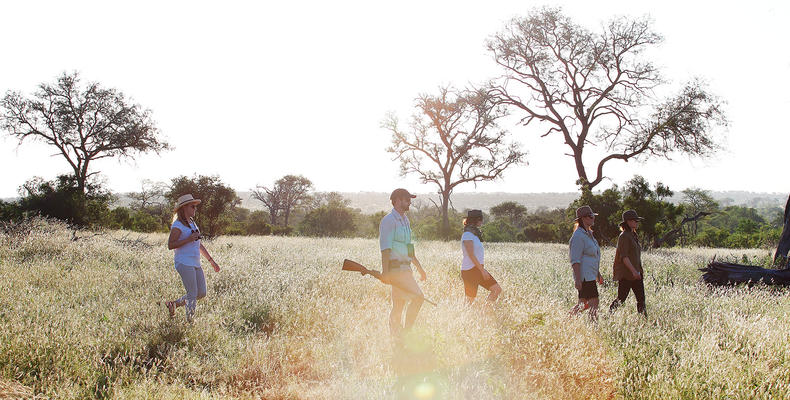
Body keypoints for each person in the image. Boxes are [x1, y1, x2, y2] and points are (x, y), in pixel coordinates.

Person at [164, 194, 221, 321]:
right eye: (192, 206)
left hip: (195, 262)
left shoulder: (192, 223)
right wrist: (188, 239)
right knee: (192, 293)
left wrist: (212, 261)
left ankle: (174, 304)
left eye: (195, 207)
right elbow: (170, 245)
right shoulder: (178, 225)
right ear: (184, 208)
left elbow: (198, 244)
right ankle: (190, 322)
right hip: (184, 262)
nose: (195, 209)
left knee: (201, 293)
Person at [380, 188, 427, 338]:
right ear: (398, 200)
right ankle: (406, 333)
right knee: (418, 297)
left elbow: (409, 248)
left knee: (399, 305)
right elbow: (385, 249)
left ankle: (397, 337)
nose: (410, 202)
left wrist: (420, 269)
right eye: (407, 199)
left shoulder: (405, 220)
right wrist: (385, 272)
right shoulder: (388, 220)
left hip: (406, 269)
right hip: (396, 270)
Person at [460, 209, 502, 305]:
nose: (482, 221)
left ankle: (485, 311)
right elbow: (471, 255)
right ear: (476, 220)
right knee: (469, 301)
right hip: (470, 271)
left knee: (496, 290)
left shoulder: (474, 234)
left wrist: (482, 270)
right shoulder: (467, 235)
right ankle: (462, 318)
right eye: (481, 219)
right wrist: (482, 271)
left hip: (478, 269)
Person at [569, 205, 603, 320]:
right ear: (583, 218)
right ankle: (593, 326)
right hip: (584, 276)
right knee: (594, 302)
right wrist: (578, 279)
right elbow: (575, 260)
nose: (593, 218)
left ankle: (567, 321)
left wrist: (597, 274)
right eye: (591, 216)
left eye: (593, 216)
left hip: (590, 275)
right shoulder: (578, 236)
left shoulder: (588, 234)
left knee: (583, 303)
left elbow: (593, 257)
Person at [609, 210, 647, 315]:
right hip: (627, 274)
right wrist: (633, 271)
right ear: (629, 222)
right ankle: (609, 315)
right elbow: (624, 257)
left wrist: (638, 271)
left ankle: (644, 320)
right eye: (635, 220)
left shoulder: (633, 235)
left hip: (637, 273)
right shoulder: (624, 236)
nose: (637, 223)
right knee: (621, 299)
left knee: (641, 299)